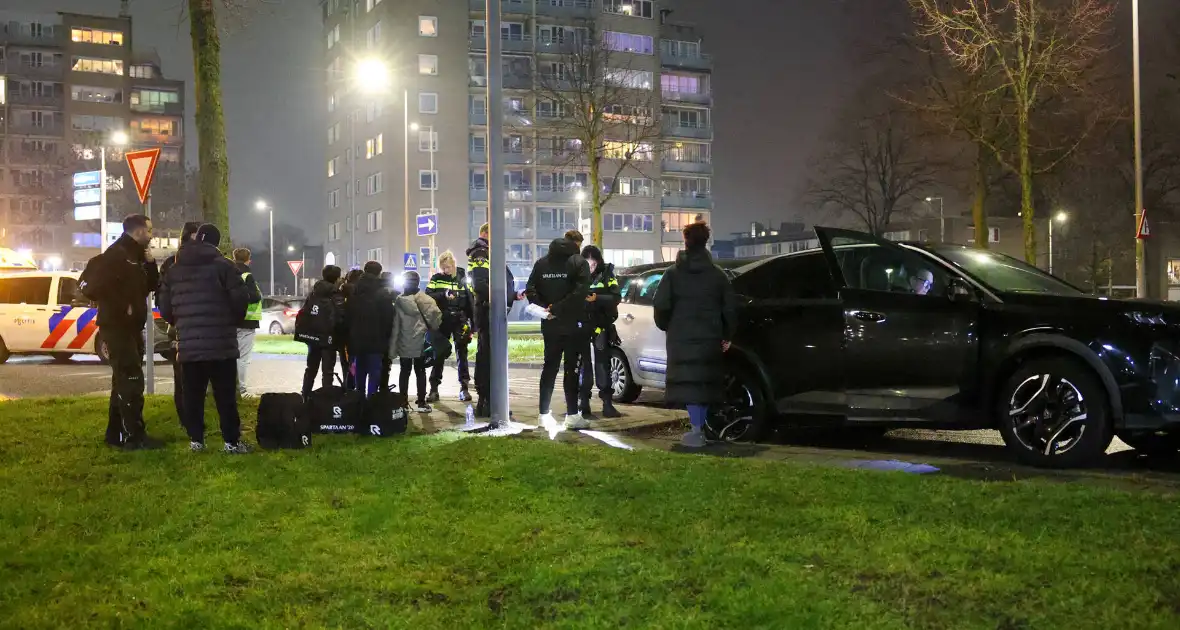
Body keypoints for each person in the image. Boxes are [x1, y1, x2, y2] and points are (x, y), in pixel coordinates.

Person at [157, 224, 253, 453]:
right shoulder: (225, 267)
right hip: (221, 343)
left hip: (189, 344)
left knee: (192, 395)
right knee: (225, 395)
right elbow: (241, 301)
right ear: (216, 243)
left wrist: (181, 322)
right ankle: (231, 442)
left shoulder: (175, 269)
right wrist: (231, 320)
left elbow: (165, 308)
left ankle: (196, 441)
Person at [79, 214, 161, 450]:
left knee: (123, 381)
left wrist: (150, 263)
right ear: (138, 232)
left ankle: (115, 434)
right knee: (132, 380)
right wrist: (120, 306)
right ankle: (134, 436)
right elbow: (92, 288)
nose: (152, 235)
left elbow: (151, 286)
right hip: (117, 327)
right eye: (150, 230)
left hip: (130, 328)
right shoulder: (116, 256)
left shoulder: (135, 257)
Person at [652, 221, 737, 448]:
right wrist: (727, 335)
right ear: (706, 241)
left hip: (681, 337)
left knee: (688, 384)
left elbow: (660, 304)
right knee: (704, 384)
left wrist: (667, 325)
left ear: (686, 241)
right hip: (710, 338)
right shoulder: (718, 275)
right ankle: (700, 429)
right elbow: (729, 307)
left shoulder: (672, 274)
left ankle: (696, 429)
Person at [526, 233, 591, 429]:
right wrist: (557, 308)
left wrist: (545, 309)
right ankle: (572, 415)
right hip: (573, 324)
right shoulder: (578, 262)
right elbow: (580, 292)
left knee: (549, 368)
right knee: (572, 370)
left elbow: (530, 289)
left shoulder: (542, 263)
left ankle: (543, 414)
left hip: (550, 325)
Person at [467, 223, 516, 419]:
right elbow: (480, 284)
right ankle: (486, 399)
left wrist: (511, 295)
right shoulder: (481, 253)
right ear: (487, 233)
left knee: (490, 355)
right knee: (488, 356)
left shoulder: (487, 252)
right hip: (488, 310)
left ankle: (489, 400)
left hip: (492, 309)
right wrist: (498, 297)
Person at [159, 221, 202, 429]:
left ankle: (190, 421)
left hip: (181, 327)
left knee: (185, 379)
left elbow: (164, 301)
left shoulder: (170, 263)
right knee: (186, 379)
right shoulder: (176, 263)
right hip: (185, 329)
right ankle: (190, 421)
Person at [578, 245, 623, 420]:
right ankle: (583, 403)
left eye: (594, 265)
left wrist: (598, 299)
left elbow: (615, 297)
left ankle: (607, 403)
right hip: (582, 325)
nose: (591, 268)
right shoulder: (577, 276)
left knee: (603, 365)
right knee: (584, 365)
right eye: (587, 265)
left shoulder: (607, 275)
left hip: (601, 325)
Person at [390, 271, 443, 412]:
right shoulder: (428, 300)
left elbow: (396, 326)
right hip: (421, 343)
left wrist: (392, 348)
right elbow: (436, 321)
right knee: (420, 372)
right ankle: (421, 402)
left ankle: (403, 403)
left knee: (404, 372)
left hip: (404, 342)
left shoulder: (399, 302)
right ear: (418, 282)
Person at [426, 251, 473, 402]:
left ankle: (464, 388)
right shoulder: (436, 279)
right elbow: (428, 296)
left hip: (460, 320)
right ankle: (434, 388)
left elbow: (470, 301)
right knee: (439, 353)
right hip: (442, 320)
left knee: (462, 353)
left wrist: (473, 325)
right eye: (443, 267)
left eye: (448, 267)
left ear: (453, 264)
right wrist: (443, 295)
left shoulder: (463, 278)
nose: (446, 270)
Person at [345, 261, 394, 397]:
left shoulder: (354, 290)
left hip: (357, 339)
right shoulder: (382, 292)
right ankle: (371, 400)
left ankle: (359, 399)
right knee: (374, 371)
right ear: (379, 273)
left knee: (359, 369)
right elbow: (388, 318)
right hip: (376, 339)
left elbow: (348, 315)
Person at [301, 265, 346, 398]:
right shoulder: (335, 294)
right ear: (337, 278)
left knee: (311, 368)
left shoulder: (314, 292)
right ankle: (326, 399)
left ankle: (305, 395)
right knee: (327, 370)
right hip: (329, 337)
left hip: (313, 336)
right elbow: (341, 316)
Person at [231, 247, 263, 398]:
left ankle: (233, 388)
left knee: (231, 357)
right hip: (247, 322)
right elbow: (254, 297)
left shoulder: (228, 272)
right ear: (248, 259)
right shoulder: (247, 275)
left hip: (232, 321)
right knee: (243, 358)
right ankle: (242, 391)